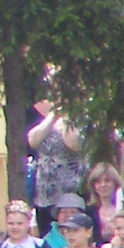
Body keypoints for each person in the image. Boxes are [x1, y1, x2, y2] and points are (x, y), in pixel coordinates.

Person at [26, 100, 86, 236]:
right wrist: (53, 115)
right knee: (46, 235)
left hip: (68, 193)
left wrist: (66, 117)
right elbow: (32, 141)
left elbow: (73, 143)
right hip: (44, 194)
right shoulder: (46, 121)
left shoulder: (79, 120)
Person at [84, 163, 123, 245]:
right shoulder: (89, 211)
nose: (103, 185)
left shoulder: (123, 206)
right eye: (98, 182)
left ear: (115, 183)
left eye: (107, 181)